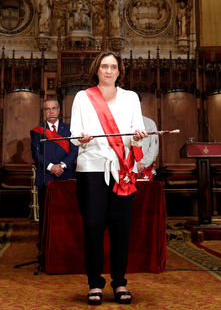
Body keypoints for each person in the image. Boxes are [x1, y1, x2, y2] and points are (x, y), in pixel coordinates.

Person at [70, 52, 147, 305]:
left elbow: (137, 130)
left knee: (121, 229)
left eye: (113, 66)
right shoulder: (83, 97)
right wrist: (80, 137)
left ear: (119, 71)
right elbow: (73, 133)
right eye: (104, 66)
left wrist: (137, 136)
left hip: (122, 170)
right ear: (97, 70)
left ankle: (120, 281)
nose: (109, 70)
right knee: (93, 227)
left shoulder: (131, 97)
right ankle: (95, 283)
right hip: (91, 168)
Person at [30, 98, 76, 251]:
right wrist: (51, 167)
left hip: (66, 176)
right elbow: (37, 155)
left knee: (66, 214)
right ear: (44, 112)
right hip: (46, 177)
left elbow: (74, 151)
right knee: (45, 215)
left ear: (59, 110)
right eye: (47, 109)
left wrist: (62, 166)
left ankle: (65, 245)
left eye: (53, 108)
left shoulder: (69, 129)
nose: (51, 111)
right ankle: (44, 246)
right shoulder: (37, 131)